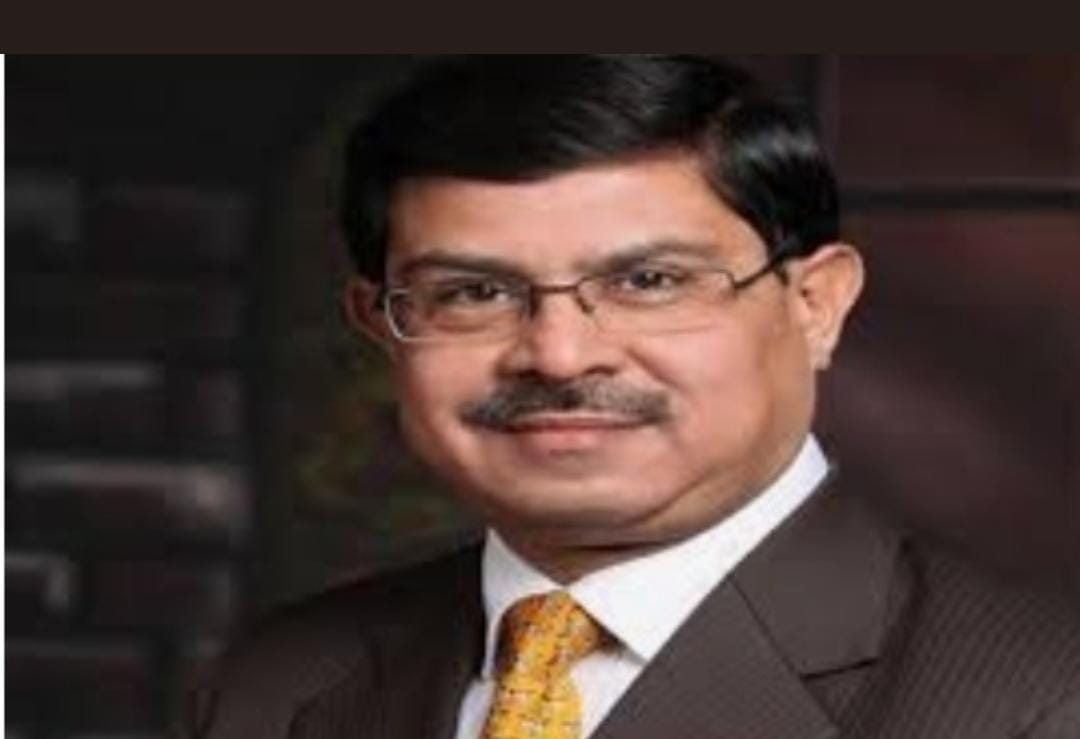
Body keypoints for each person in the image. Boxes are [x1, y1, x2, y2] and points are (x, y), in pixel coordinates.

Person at [176, 56, 1080, 739]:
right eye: (474, 292)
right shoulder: (274, 684)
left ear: (816, 304)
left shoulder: (1040, 699)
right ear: (379, 325)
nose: (558, 354)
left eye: (649, 281)